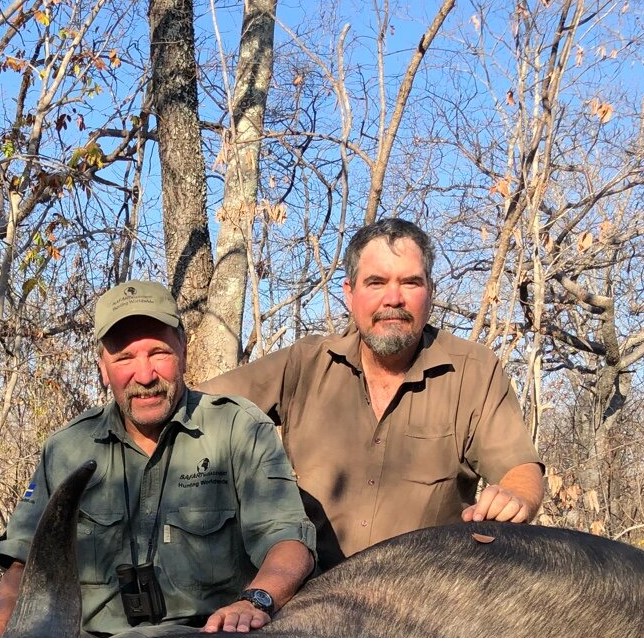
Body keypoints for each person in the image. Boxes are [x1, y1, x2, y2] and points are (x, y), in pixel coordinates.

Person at [0, 280, 315, 638]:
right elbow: (23, 567)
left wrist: (256, 601)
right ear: (103, 365)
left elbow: (288, 539)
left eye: (159, 352)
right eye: (124, 357)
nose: (145, 375)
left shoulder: (237, 427)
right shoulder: (66, 448)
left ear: (182, 348)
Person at [204, 218, 546, 570]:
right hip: (308, 596)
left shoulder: (475, 370)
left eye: (410, 282)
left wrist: (515, 496)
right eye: (376, 282)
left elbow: (520, 469)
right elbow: (201, 408)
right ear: (349, 293)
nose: (393, 299)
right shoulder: (303, 362)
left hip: (423, 596)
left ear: (430, 291)